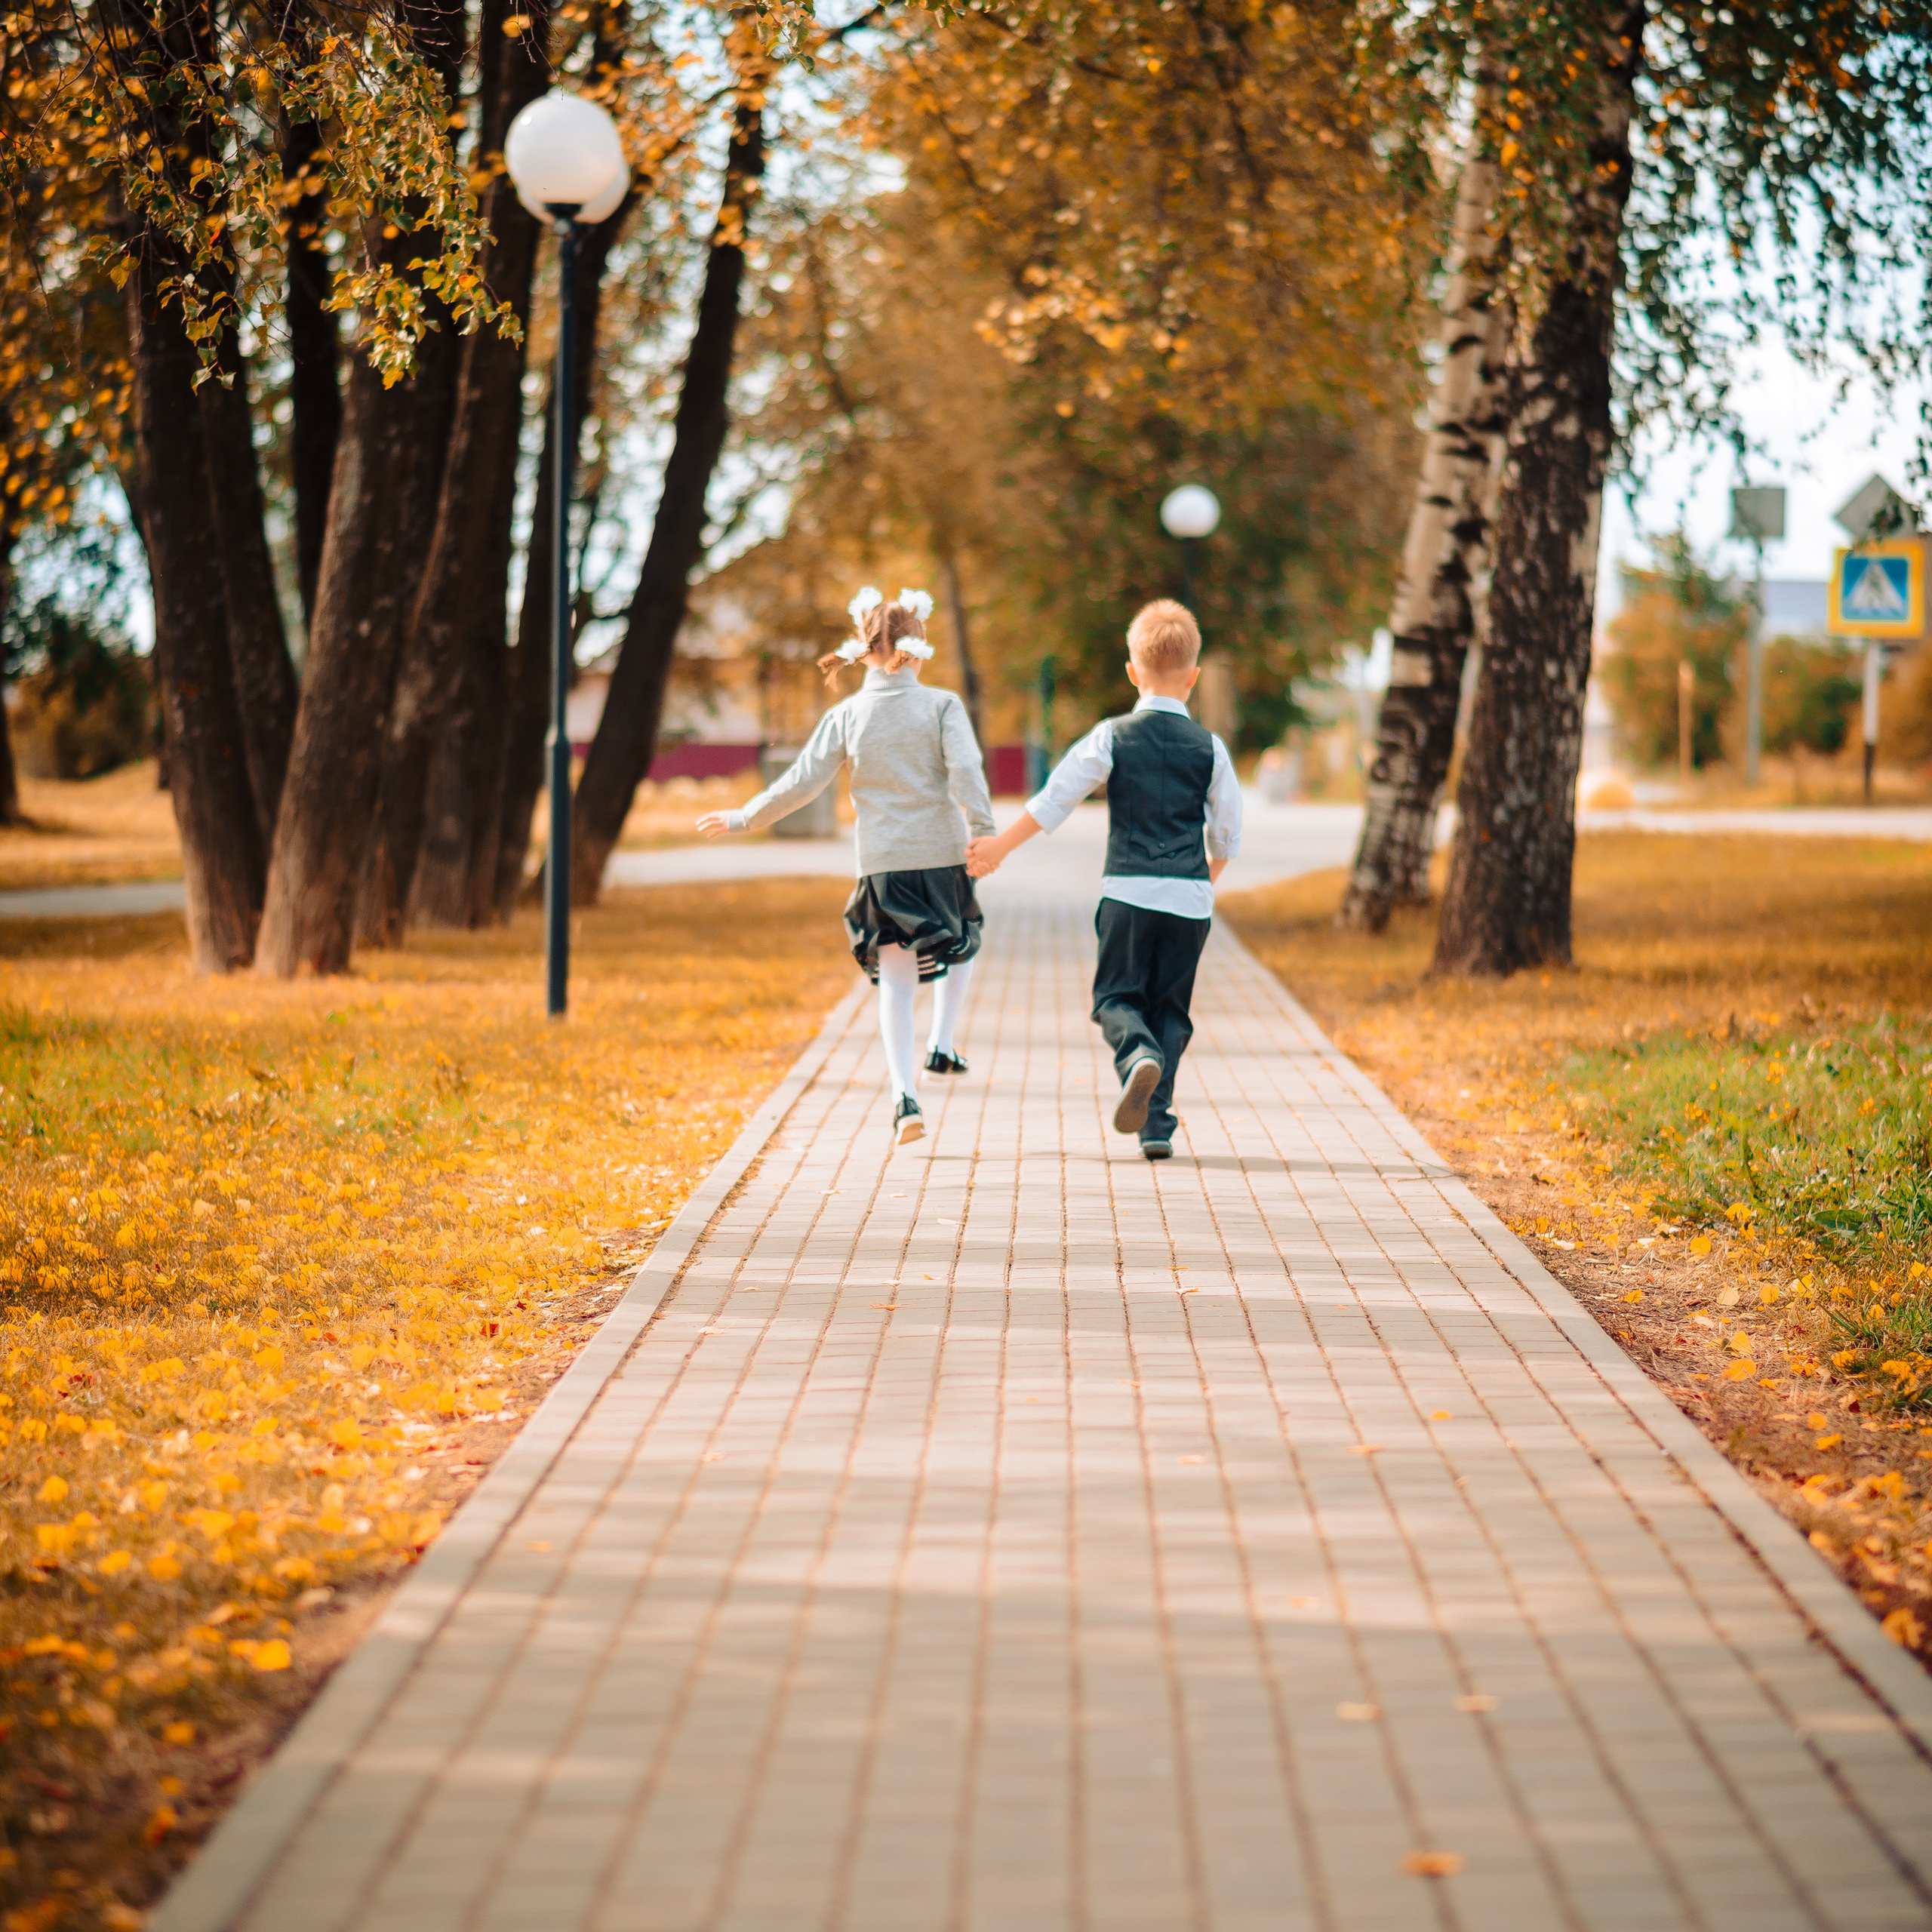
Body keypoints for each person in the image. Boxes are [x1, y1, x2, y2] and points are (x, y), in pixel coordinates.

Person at [698, 587, 995, 1146]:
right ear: (919, 646)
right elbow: (968, 772)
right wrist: (984, 833)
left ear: (864, 646)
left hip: (882, 865)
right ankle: (943, 1040)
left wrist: (744, 817)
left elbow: (802, 783)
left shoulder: (847, 714)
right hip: (942, 854)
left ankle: (903, 1095)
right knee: (963, 942)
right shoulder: (941, 706)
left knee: (897, 984)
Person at [967, 598, 1240, 1161]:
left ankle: (1136, 1053)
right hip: (1190, 900)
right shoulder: (1211, 748)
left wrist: (997, 848)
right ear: (1193, 678)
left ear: (1132, 673)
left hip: (1128, 895)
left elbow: (1053, 802)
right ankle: (1156, 1124)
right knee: (1171, 1008)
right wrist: (1200, 882)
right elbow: (1229, 835)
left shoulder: (1112, 736)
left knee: (1116, 996)